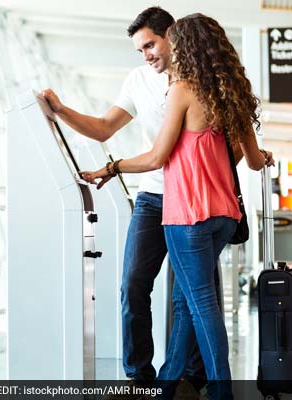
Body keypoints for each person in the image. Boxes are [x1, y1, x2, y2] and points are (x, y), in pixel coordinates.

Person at [80, 13, 275, 400]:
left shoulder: (182, 90)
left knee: (201, 307)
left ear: (181, 44)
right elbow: (252, 161)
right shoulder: (230, 92)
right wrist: (264, 154)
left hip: (188, 216)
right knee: (186, 303)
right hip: (223, 216)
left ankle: (222, 391)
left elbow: (157, 157)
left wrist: (112, 166)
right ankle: (168, 382)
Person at [42, 7, 215, 390]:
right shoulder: (139, 80)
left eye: (150, 45)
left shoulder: (202, 78)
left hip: (195, 202)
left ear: (172, 35)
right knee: (133, 284)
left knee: (191, 295)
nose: (146, 55)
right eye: (140, 50)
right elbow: (103, 128)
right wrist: (61, 111)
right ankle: (140, 377)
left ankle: (190, 375)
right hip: (153, 198)